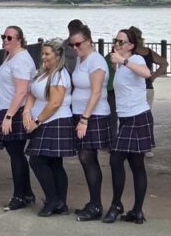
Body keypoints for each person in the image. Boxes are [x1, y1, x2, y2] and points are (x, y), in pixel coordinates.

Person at [103, 29, 154, 225]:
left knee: (117, 159)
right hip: (125, 118)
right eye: (115, 40)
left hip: (138, 116)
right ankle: (136, 211)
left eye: (121, 42)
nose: (116, 44)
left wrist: (123, 61)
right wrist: (117, 63)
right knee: (135, 163)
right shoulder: (119, 65)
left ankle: (118, 205)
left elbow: (147, 73)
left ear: (131, 45)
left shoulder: (136, 59)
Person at [23, 38, 75, 217]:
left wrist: (36, 122)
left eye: (47, 54)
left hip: (55, 121)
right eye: (42, 54)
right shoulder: (43, 72)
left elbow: (54, 103)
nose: (43, 57)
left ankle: (53, 200)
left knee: (37, 160)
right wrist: (27, 111)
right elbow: (32, 92)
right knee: (54, 163)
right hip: (43, 120)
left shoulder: (59, 75)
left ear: (57, 56)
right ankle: (61, 203)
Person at [68, 25, 111, 222]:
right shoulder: (81, 59)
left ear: (89, 41)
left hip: (93, 115)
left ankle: (96, 204)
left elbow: (96, 92)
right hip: (79, 113)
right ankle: (93, 202)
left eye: (78, 44)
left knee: (88, 157)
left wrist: (85, 118)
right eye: (72, 45)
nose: (75, 48)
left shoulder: (96, 61)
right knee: (85, 158)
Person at [0, 25, 36, 211]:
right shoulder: (11, 56)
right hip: (8, 108)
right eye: (3, 36)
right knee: (16, 153)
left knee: (16, 155)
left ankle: (19, 196)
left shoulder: (20, 60)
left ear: (19, 40)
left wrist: (9, 116)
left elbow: (22, 92)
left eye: (9, 38)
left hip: (15, 111)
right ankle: (27, 193)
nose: (5, 40)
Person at [128, 27, 168, 159]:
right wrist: (152, 77)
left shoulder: (129, 53)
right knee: (146, 116)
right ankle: (147, 145)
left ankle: (132, 144)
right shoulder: (147, 52)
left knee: (131, 116)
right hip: (147, 87)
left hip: (134, 89)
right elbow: (164, 63)